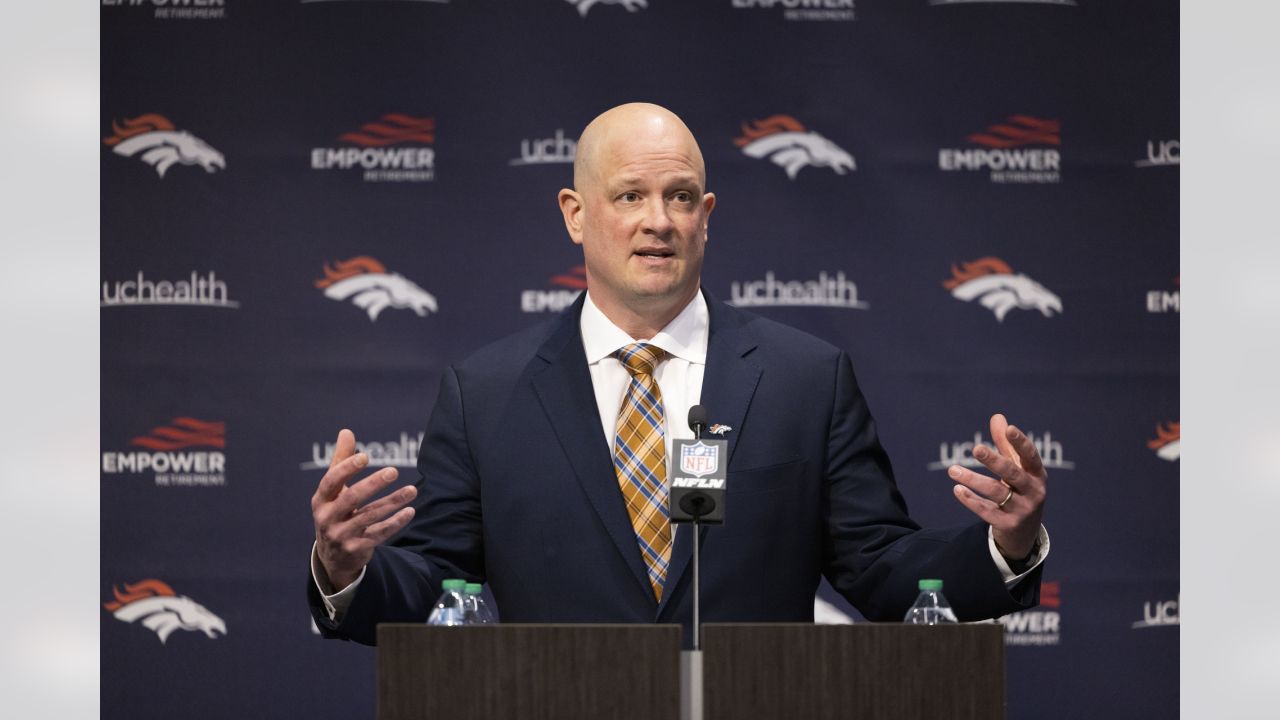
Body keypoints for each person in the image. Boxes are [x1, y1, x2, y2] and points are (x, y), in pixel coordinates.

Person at [308, 103, 1048, 645]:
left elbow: (883, 567)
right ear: (575, 212)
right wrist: (347, 568)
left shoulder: (805, 380)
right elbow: (440, 583)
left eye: (680, 197)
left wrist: (1006, 546)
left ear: (706, 215)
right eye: (630, 195)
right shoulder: (487, 392)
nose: (658, 220)